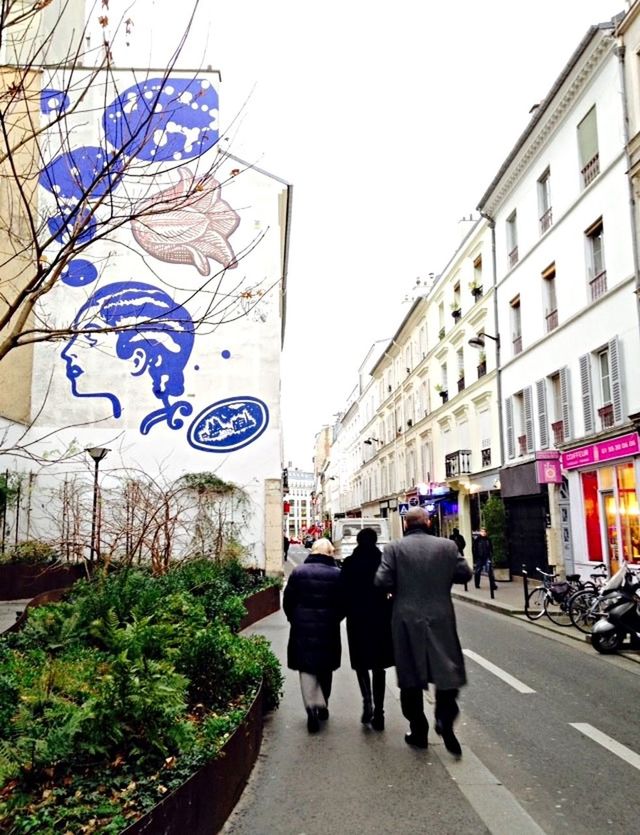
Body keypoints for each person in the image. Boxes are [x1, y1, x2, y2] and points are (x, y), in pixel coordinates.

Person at [375, 507, 472, 757]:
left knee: (410, 676)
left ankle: (418, 729)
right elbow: (465, 574)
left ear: (406, 525)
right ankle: (445, 719)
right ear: (428, 522)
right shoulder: (447, 546)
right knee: (447, 669)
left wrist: (400, 587)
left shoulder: (394, 548)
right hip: (440, 616)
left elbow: (382, 580)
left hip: (406, 617)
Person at [283, 537, 344, 733]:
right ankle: (323, 702)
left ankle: (311, 708)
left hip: (302, 626)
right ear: (329, 553)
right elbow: (344, 603)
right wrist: (335, 618)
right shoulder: (337, 574)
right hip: (328, 627)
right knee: (326, 667)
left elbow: (288, 600)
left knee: (306, 667)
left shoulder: (298, 572)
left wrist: (294, 618)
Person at [340, 528, 393, 731]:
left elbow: (342, 591)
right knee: (378, 666)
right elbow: (391, 587)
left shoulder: (350, 563)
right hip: (380, 618)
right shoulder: (383, 562)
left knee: (361, 662)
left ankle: (367, 702)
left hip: (357, 618)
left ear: (358, 541)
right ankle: (379, 711)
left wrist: (344, 612)